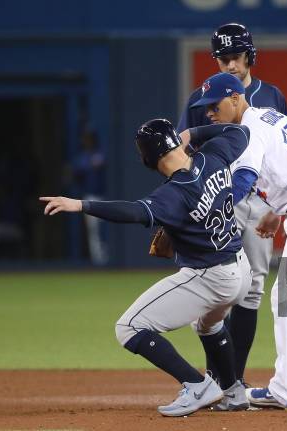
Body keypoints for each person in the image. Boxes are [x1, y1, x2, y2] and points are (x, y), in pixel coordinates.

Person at [40, 119, 253, 416]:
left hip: (211, 275)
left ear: (148, 160)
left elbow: (136, 212)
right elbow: (240, 131)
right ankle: (233, 391)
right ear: (177, 142)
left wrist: (82, 205)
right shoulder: (214, 156)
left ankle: (198, 385)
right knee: (208, 324)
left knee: (128, 327)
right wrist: (195, 133)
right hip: (241, 269)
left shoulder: (175, 192)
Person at [187, 72, 287, 411]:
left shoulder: (252, 128)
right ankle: (285, 387)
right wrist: (276, 210)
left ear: (235, 98)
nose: (209, 113)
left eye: (214, 106)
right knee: (283, 298)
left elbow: (245, 177)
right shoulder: (265, 116)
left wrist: (215, 208)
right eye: (205, 108)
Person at [178, 22, 287, 387]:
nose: (229, 65)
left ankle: (233, 382)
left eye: (235, 58)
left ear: (249, 56)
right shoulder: (204, 97)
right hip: (216, 197)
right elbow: (181, 151)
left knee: (253, 288)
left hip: (258, 199)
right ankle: (216, 376)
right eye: (222, 59)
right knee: (215, 282)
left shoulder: (271, 95)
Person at [71, 128, 108, 264]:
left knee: (106, 229)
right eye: (85, 137)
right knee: (93, 231)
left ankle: (107, 259)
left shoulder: (100, 152)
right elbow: (77, 172)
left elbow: (102, 163)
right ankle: (98, 260)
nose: (87, 140)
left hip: (105, 196)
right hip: (90, 197)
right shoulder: (82, 156)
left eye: (89, 137)